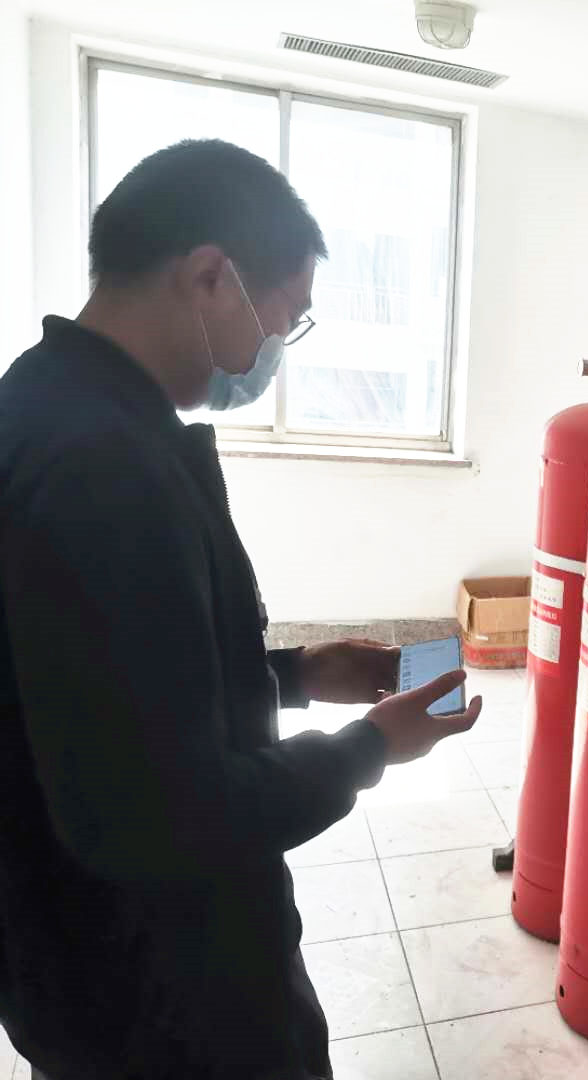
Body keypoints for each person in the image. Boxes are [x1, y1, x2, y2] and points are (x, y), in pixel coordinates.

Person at [0, 139, 482, 1080]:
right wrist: (373, 746)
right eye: (285, 316)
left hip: (76, 958)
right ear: (210, 278)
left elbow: (106, 689)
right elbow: (161, 814)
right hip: (163, 994)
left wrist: (292, 675)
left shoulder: (45, 400)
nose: (274, 351)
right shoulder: (104, 469)